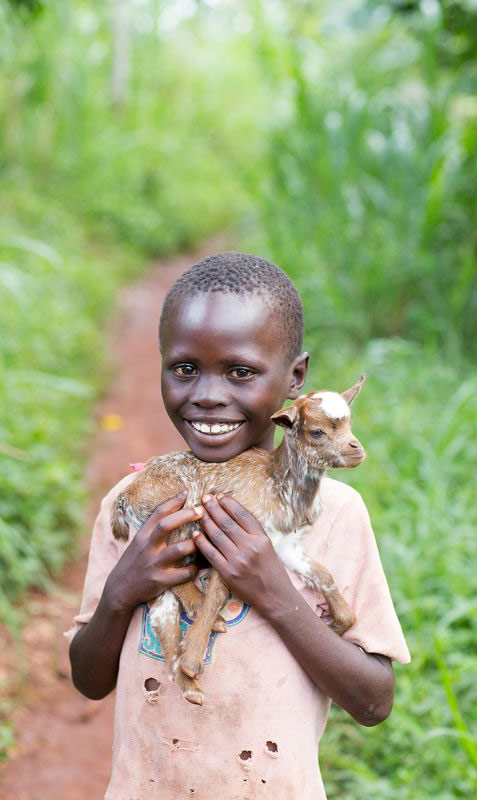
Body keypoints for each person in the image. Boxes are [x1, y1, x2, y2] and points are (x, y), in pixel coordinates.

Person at [66, 252, 410, 800]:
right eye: (184, 368)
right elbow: (89, 678)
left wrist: (274, 591)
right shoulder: (135, 505)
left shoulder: (336, 516)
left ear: (295, 379)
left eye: (240, 372)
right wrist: (123, 589)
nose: (207, 393)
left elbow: (374, 701)